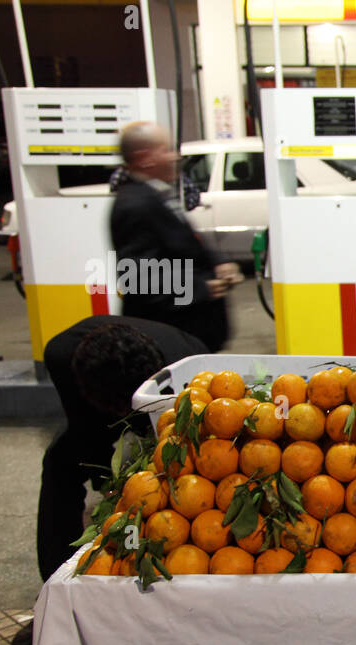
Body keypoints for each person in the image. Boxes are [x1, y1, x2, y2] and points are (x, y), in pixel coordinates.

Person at [37, 316, 207, 582]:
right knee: (59, 464)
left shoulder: (187, 361)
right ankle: (57, 579)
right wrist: (107, 483)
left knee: (175, 479)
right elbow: (83, 428)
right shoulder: (61, 355)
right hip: (95, 405)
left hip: (160, 408)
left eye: (125, 408)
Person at [110, 122, 240, 352]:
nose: (175, 156)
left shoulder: (156, 194)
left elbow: (188, 243)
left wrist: (219, 261)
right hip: (169, 339)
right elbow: (138, 278)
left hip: (191, 336)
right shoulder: (134, 205)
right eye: (167, 149)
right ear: (144, 158)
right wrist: (200, 288)